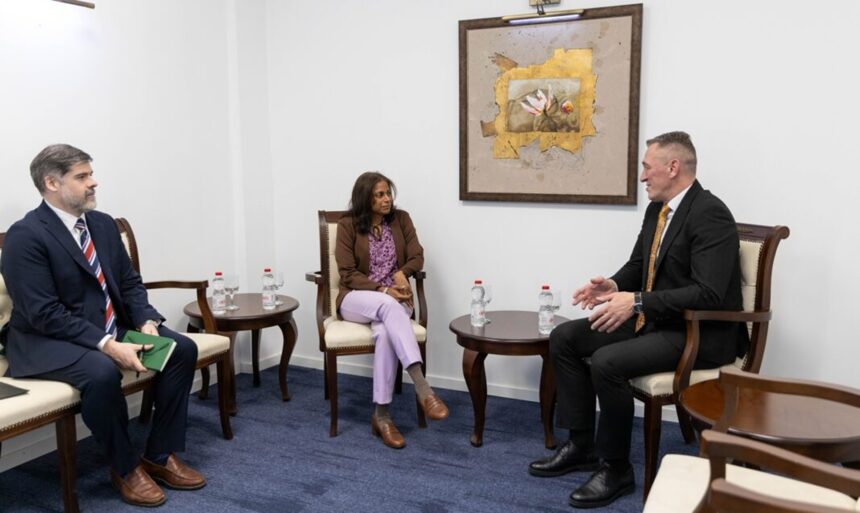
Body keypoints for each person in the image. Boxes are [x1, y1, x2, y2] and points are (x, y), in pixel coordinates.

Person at [528, 132, 748, 508]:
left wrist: (638, 302)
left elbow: (708, 294)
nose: (642, 176)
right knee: (564, 337)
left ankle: (616, 468)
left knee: (607, 362)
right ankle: (582, 445)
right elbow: (639, 265)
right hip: (658, 321)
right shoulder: (657, 210)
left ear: (673, 167)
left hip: (698, 333)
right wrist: (613, 285)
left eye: (647, 167)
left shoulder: (711, 214)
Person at [0, 144, 206, 508]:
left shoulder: (102, 224)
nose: (93, 183)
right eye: (82, 177)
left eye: (91, 174)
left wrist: (146, 319)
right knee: (101, 372)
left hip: (106, 326)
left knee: (180, 349)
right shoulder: (25, 236)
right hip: (45, 339)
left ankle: (159, 455)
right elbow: (43, 313)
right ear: (51, 183)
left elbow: (129, 282)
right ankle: (125, 467)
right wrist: (108, 345)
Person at [335, 171, 448, 449]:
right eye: (380, 195)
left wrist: (402, 272)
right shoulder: (348, 225)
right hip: (356, 299)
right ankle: (423, 388)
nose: (387, 199)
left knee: (385, 334)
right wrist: (384, 289)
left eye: (388, 193)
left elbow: (417, 255)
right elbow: (347, 273)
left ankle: (382, 417)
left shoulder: (401, 219)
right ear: (365, 198)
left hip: (397, 302)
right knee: (388, 303)